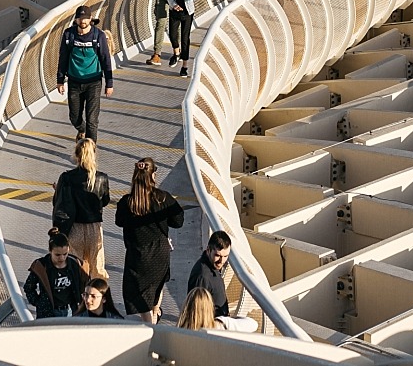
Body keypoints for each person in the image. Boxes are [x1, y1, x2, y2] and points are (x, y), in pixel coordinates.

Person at [115, 157, 186, 324]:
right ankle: (154, 316)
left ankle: (150, 325)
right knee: (156, 286)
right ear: (153, 175)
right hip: (160, 252)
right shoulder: (162, 198)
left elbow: (119, 221)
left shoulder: (127, 202)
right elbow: (178, 221)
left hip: (137, 255)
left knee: (138, 293)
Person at [53, 137, 111, 279]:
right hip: (94, 229)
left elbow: (58, 203)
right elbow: (105, 201)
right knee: (97, 268)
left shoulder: (67, 177)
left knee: (75, 267)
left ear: (76, 155)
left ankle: (78, 296)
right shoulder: (102, 178)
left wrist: (58, 190)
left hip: (74, 228)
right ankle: (98, 296)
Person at [55, 7, 114, 142]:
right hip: (74, 82)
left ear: (90, 19)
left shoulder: (98, 35)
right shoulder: (69, 34)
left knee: (92, 120)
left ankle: (90, 151)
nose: (83, 21)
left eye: (86, 18)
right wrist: (60, 80)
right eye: (80, 18)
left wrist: (109, 83)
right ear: (76, 19)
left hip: (93, 82)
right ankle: (81, 129)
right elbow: (63, 57)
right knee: (74, 117)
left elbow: (105, 59)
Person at [187, 231, 260, 332]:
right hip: (211, 329)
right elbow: (197, 311)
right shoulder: (203, 276)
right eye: (218, 255)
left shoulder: (212, 267)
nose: (222, 261)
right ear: (208, 250)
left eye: (226, 256)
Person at [23, 230, 89, 319]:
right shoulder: (41, 266)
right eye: (57, 255)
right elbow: (29, 287)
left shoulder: (75, 264)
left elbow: (86, 283)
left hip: (71, 310)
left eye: (65, 254)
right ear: (50, 251)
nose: (62, 258)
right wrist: (39, 303)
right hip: (48, 312)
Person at [165, 0, 202, 77]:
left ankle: (184, 66)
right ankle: (176, 53)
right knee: (172, 34)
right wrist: (173, 4)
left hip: (187, 12)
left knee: (185, 38)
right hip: (175, 10)